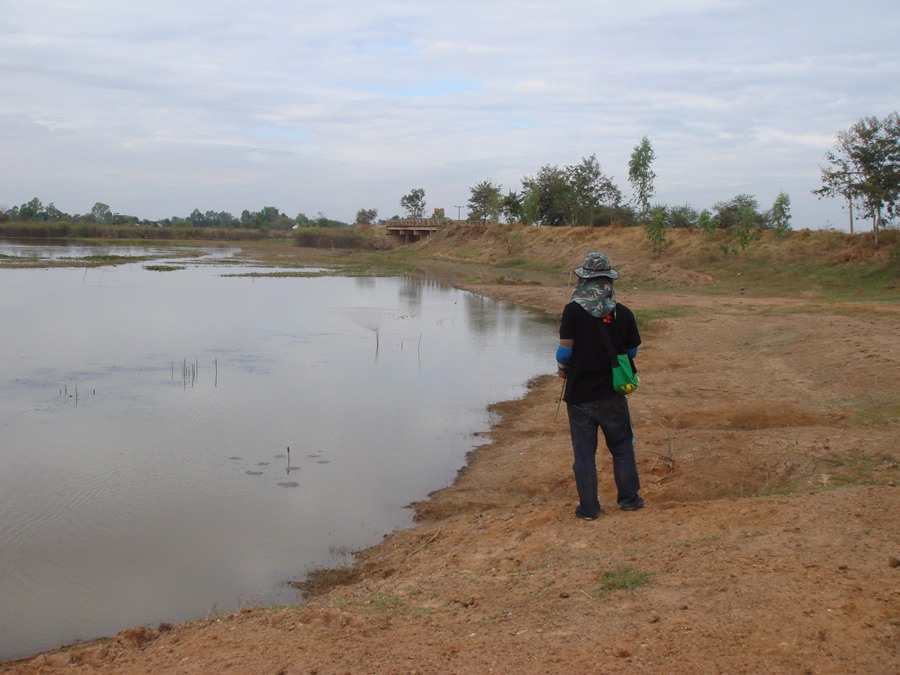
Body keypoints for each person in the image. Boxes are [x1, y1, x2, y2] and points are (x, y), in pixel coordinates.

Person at [556, 252, 644, 520]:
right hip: (613, 393)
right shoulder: (624, 313)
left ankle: (589, 509)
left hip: (580, 395)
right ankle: (629, 499)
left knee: (584, 455)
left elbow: (564, 354)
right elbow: (632, 353)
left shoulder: (572, 311)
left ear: (583, 280)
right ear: (608, 281)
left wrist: (563, 371)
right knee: (622, 448)